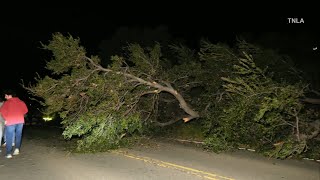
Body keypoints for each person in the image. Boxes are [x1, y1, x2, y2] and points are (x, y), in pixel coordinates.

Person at [0, 89, 28, 159]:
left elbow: (2, 111)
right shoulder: (21, 102)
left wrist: (6, 118)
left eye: (6, 95)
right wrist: (19, 114)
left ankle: (9, 153)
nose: (5, 97)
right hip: (20, 121)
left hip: (10, 121)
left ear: (9, 95)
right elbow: (25, 110)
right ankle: (17, 149)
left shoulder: (7, 102)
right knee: (18, 135)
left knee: (9, 137)